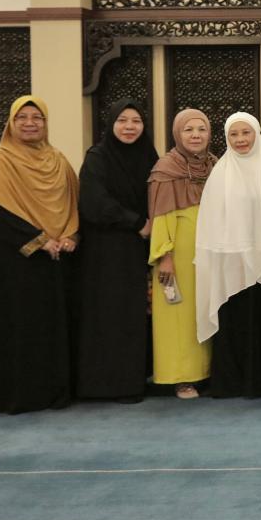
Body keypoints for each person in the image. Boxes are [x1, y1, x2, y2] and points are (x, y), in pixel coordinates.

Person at [0, 95, 80, 414]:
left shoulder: (58, 160)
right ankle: (18, 396)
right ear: (11, 122)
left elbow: (74, 202)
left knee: (50, 329)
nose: (30, 123)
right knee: (18, 329)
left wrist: (70, 235)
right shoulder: (0, 159)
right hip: (14, 263)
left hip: (56, 260)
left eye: (37, 117)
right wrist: (38, 240)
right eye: (22, 118)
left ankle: (53, 392)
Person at [74, 101, 157, 403]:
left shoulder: (149, 157)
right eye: (122, 120)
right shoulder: (97, 158)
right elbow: (94, 201)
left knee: (135, 314)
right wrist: (135, 222)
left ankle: (134, 380)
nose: (129, 127)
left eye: (136, 121)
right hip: (106, 251)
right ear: (111, 124)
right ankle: (107, 384)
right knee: (109, 314)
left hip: (139, 249)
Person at [196, 112, 261, 399]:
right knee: (235, 322)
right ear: (226, 138)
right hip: (230, 263)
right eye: (234, 134)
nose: (241, 139)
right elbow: (211, 222)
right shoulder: (220, 173)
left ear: (257, 134)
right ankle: (231, 383)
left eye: (246, 133)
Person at [148, 108, 216, 400]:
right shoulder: (166, 169)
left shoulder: (214, 165)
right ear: (177, 133)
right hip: (176, 257)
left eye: (201, 129)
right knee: (178, 318)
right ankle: (180, 378)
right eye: (189, 130)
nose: (196, 135)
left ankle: (205, 372)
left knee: (203, 313)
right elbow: (161, 217)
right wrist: (165, 257)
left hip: (209, 255)